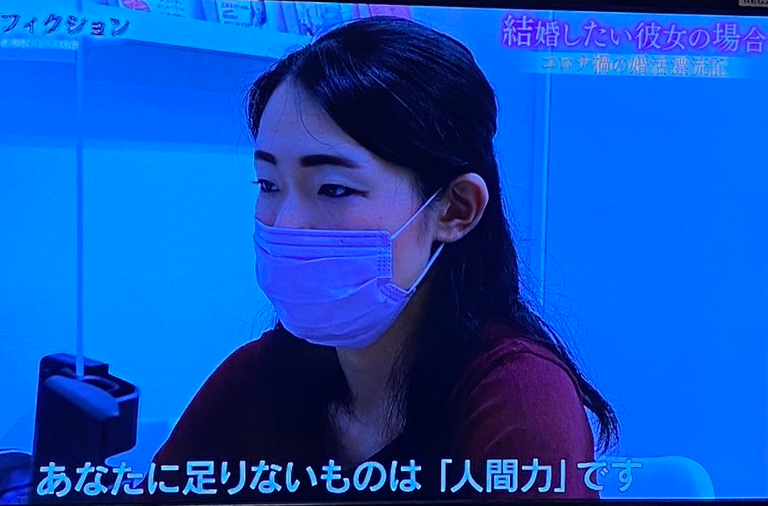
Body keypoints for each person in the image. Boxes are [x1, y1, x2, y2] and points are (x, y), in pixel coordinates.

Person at [151, 16, 619, 502]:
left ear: (455, 209)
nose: (285, 224)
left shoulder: (521, 397)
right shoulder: (259, 378)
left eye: (333, 189)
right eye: (268, 185)